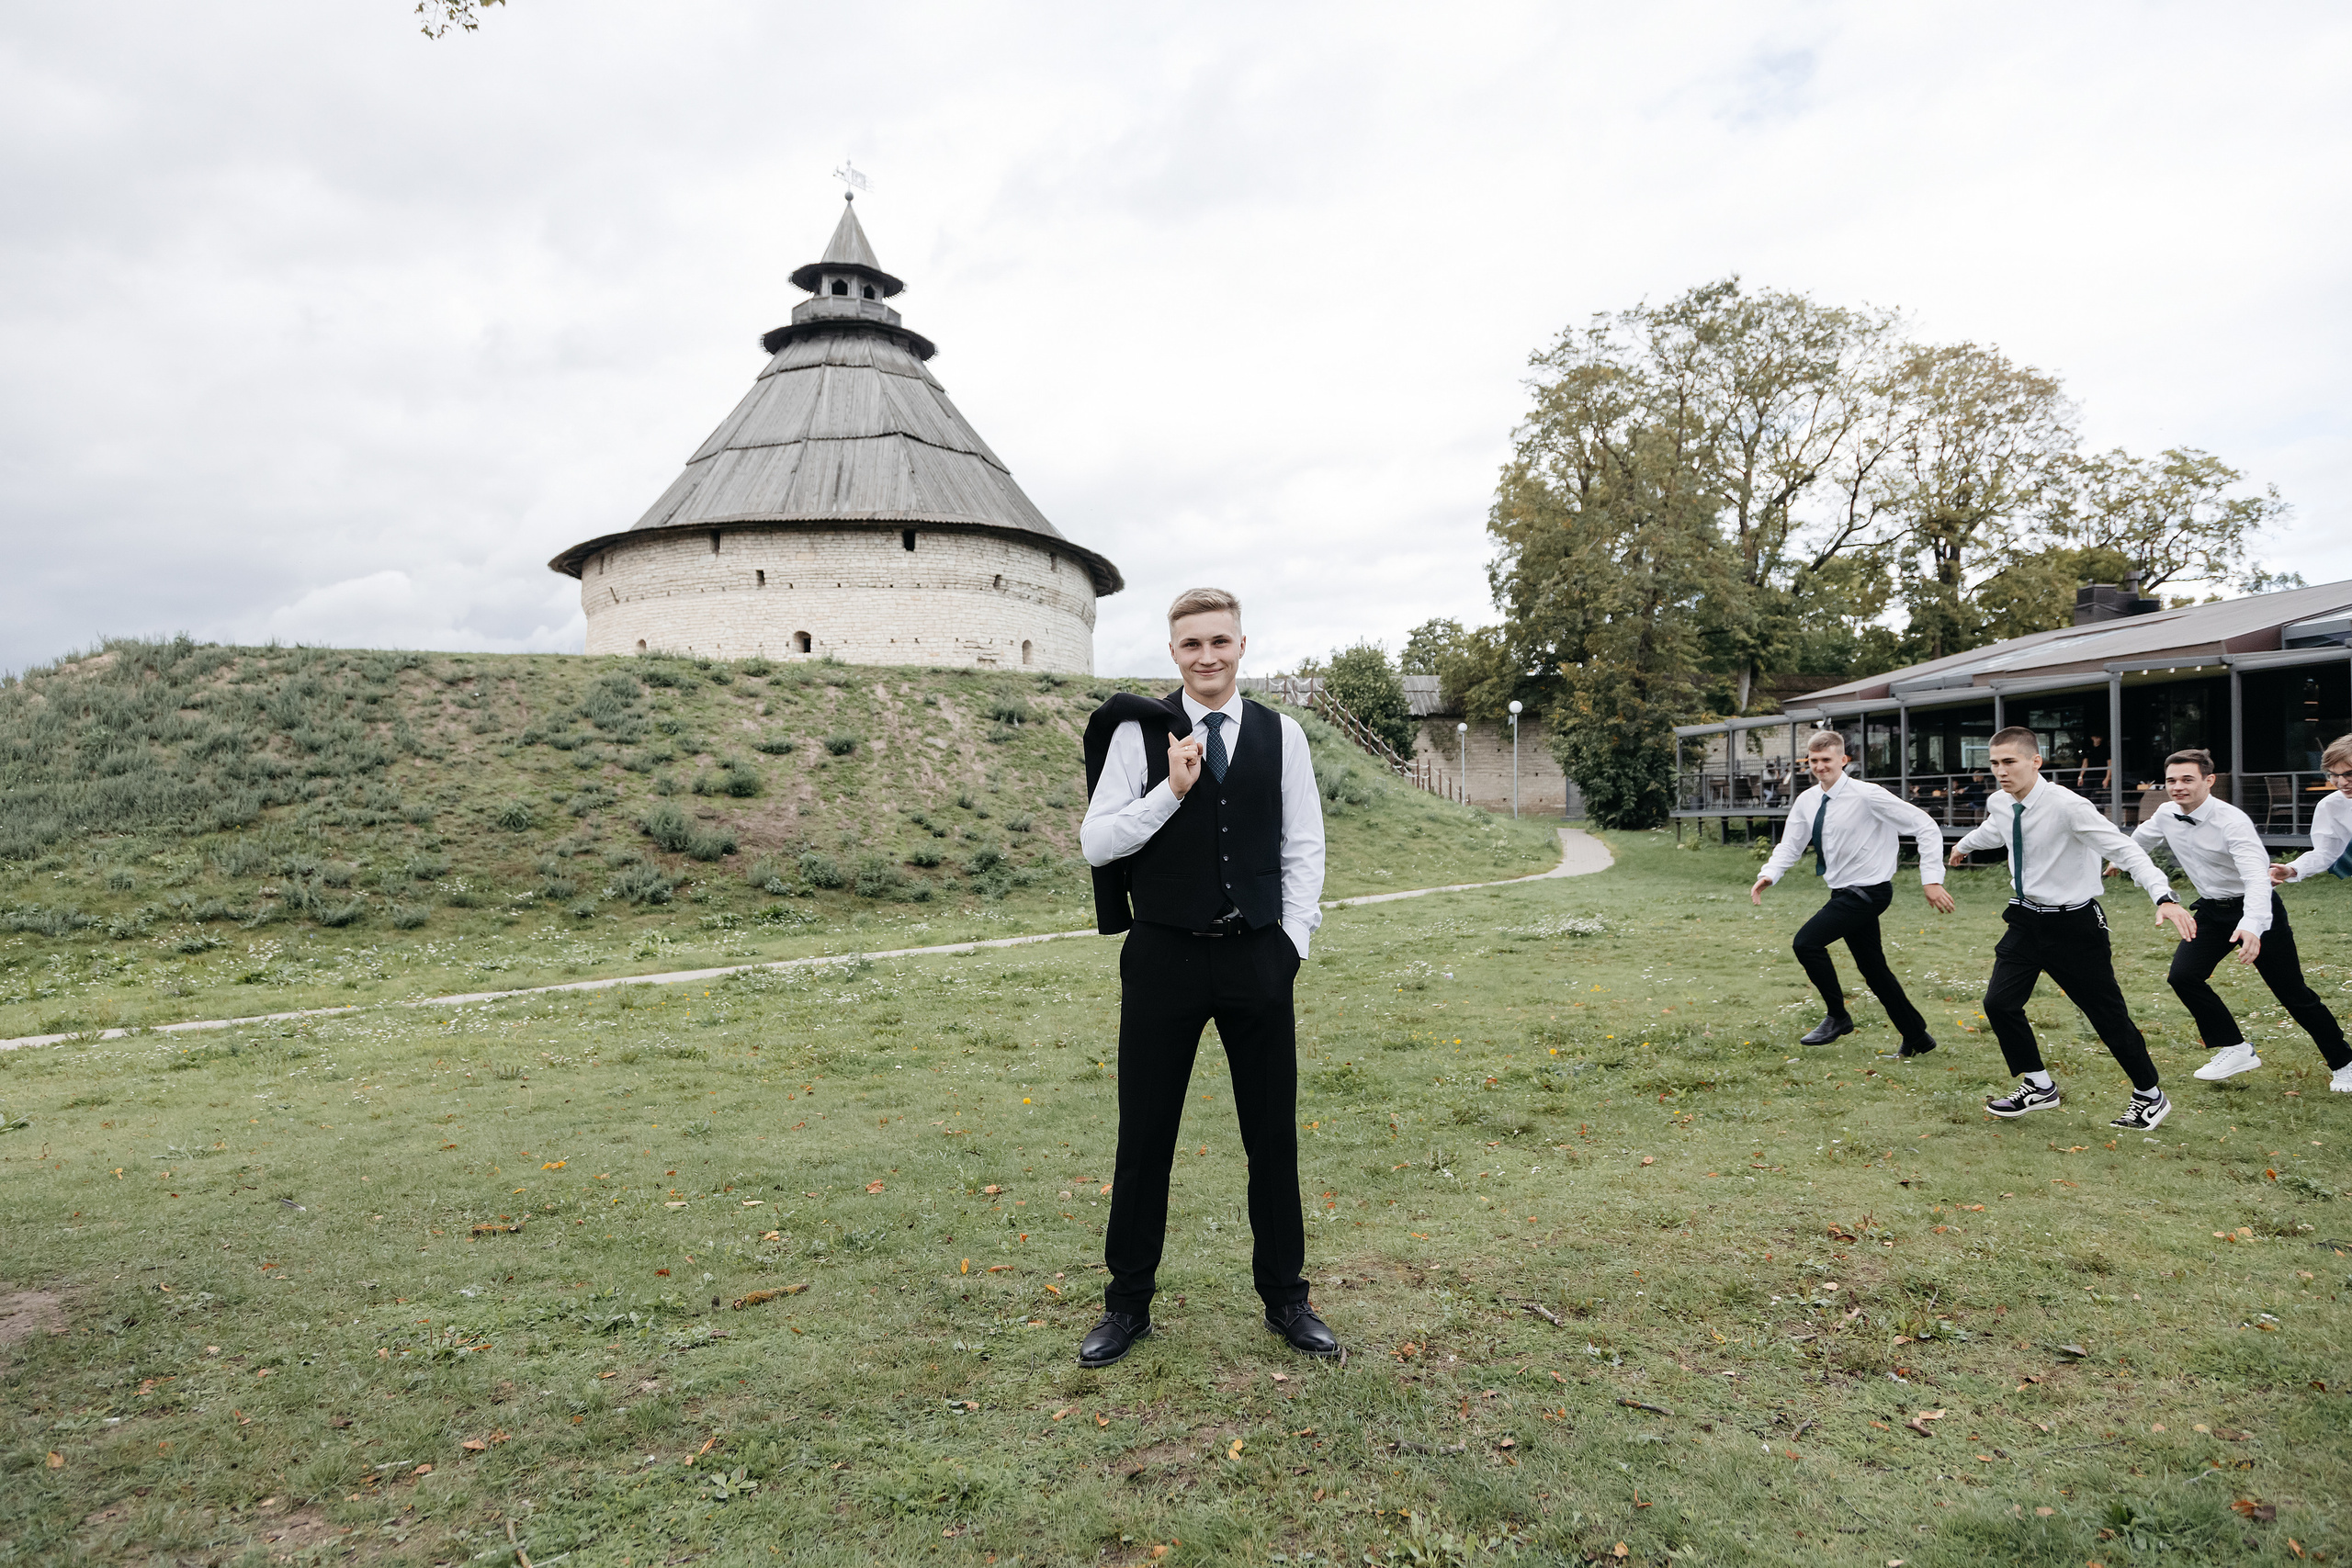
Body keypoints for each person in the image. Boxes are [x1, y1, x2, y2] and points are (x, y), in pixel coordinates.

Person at [1073, 587, 1332, 1368]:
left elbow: (1303, 846)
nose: (1207, 656)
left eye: (1220, 641)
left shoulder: (1282, 737)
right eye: (1192, 645)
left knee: (1271, 1135)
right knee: (1145, 1135)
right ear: (1174, 652)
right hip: (1162, 958)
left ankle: (1287, 1298)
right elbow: (1096, 842)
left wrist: (1291, 943)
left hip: (1257, 955)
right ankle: (1127, 1305)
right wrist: (1170, 790)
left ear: (1242, 646)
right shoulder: (1138, 734)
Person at [1948, 726, 2194, 1129]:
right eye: (1994, 764)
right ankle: (2039, 1085)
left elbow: (2126, 850)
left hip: (2074, 925)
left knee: (2105, 1014)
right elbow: (1997, 829)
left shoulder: (2069, 806)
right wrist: (1964, 845)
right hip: (2025, 920)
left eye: (2009, 762)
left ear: (2035, 762)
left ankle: (2150, 1095)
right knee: (2000, 1003)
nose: (2001, 771)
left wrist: (2164, 897)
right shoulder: (2000, 801)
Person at [2126, 748, 2352, 1090]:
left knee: (2292, 993)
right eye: (2171, 780)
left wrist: (2252, 924)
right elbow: (2136, 843)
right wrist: (2119, 858)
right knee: (2183, 976)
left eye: (2188, 779)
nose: (2178, 787)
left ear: (2209, 781)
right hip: (2213, 910)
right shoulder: (2166, 812)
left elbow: (2256, 879)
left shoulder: (2232, 821)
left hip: (2256, 910)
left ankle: (2344, 1062)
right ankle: (2235, 1047)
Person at [1751, 729, 1956, 1057]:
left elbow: (1925, 825)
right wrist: (1770, 874)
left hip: (1870, 891)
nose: (1820, 767)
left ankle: (1838, 1017)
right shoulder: (1807, 800)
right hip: (1842, 892)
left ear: (1843, 760)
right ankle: (1917, 1036)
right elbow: (1791, 844)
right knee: (1874, 970)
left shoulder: (1867, 795)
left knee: (1806, 943)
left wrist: (1931, 879)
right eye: (1814, 761)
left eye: (1827, 760)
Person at [2267, 732, 2352, 1093]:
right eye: (2335, 775)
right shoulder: (2332, 806)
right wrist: (2293, 870)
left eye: (2349, 773)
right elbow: (2327, 851)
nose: (2342, 782)